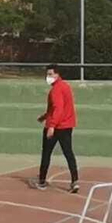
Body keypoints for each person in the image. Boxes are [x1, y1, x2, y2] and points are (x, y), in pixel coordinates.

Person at [36, 64, 79, 193]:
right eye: (47, 74)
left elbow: (58, 108)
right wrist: (44, 116)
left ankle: (42, 181)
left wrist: (52, 126)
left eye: (50, 74)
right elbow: (55, 108)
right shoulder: (66, 86)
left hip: (57, 126)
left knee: (46, 153)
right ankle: (75, 180)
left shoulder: (56, 90)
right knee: (68, 153)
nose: (48, 77)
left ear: (57, 74)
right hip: (67, 126)